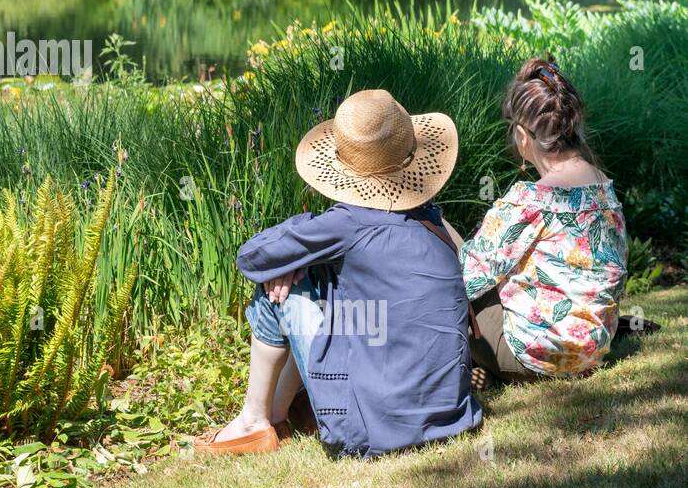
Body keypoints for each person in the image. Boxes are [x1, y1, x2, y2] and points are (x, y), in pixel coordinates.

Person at [196, 89, 482, 458]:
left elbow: (252, 258)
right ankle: (279, 416)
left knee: (275, 290)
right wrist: (301, 261)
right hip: (451, 416)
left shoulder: (347, 223)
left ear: (344, 167)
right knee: (313, 279)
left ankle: (255, 421)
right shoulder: (431, 218)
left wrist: (294, 256)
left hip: (371, 430)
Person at [459, 57, 628, 384]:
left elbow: (467, 279)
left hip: (535, 359)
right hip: (591, 350)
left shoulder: (530, 201)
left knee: (446, 243)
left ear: (523, 135)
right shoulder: (605, 190)